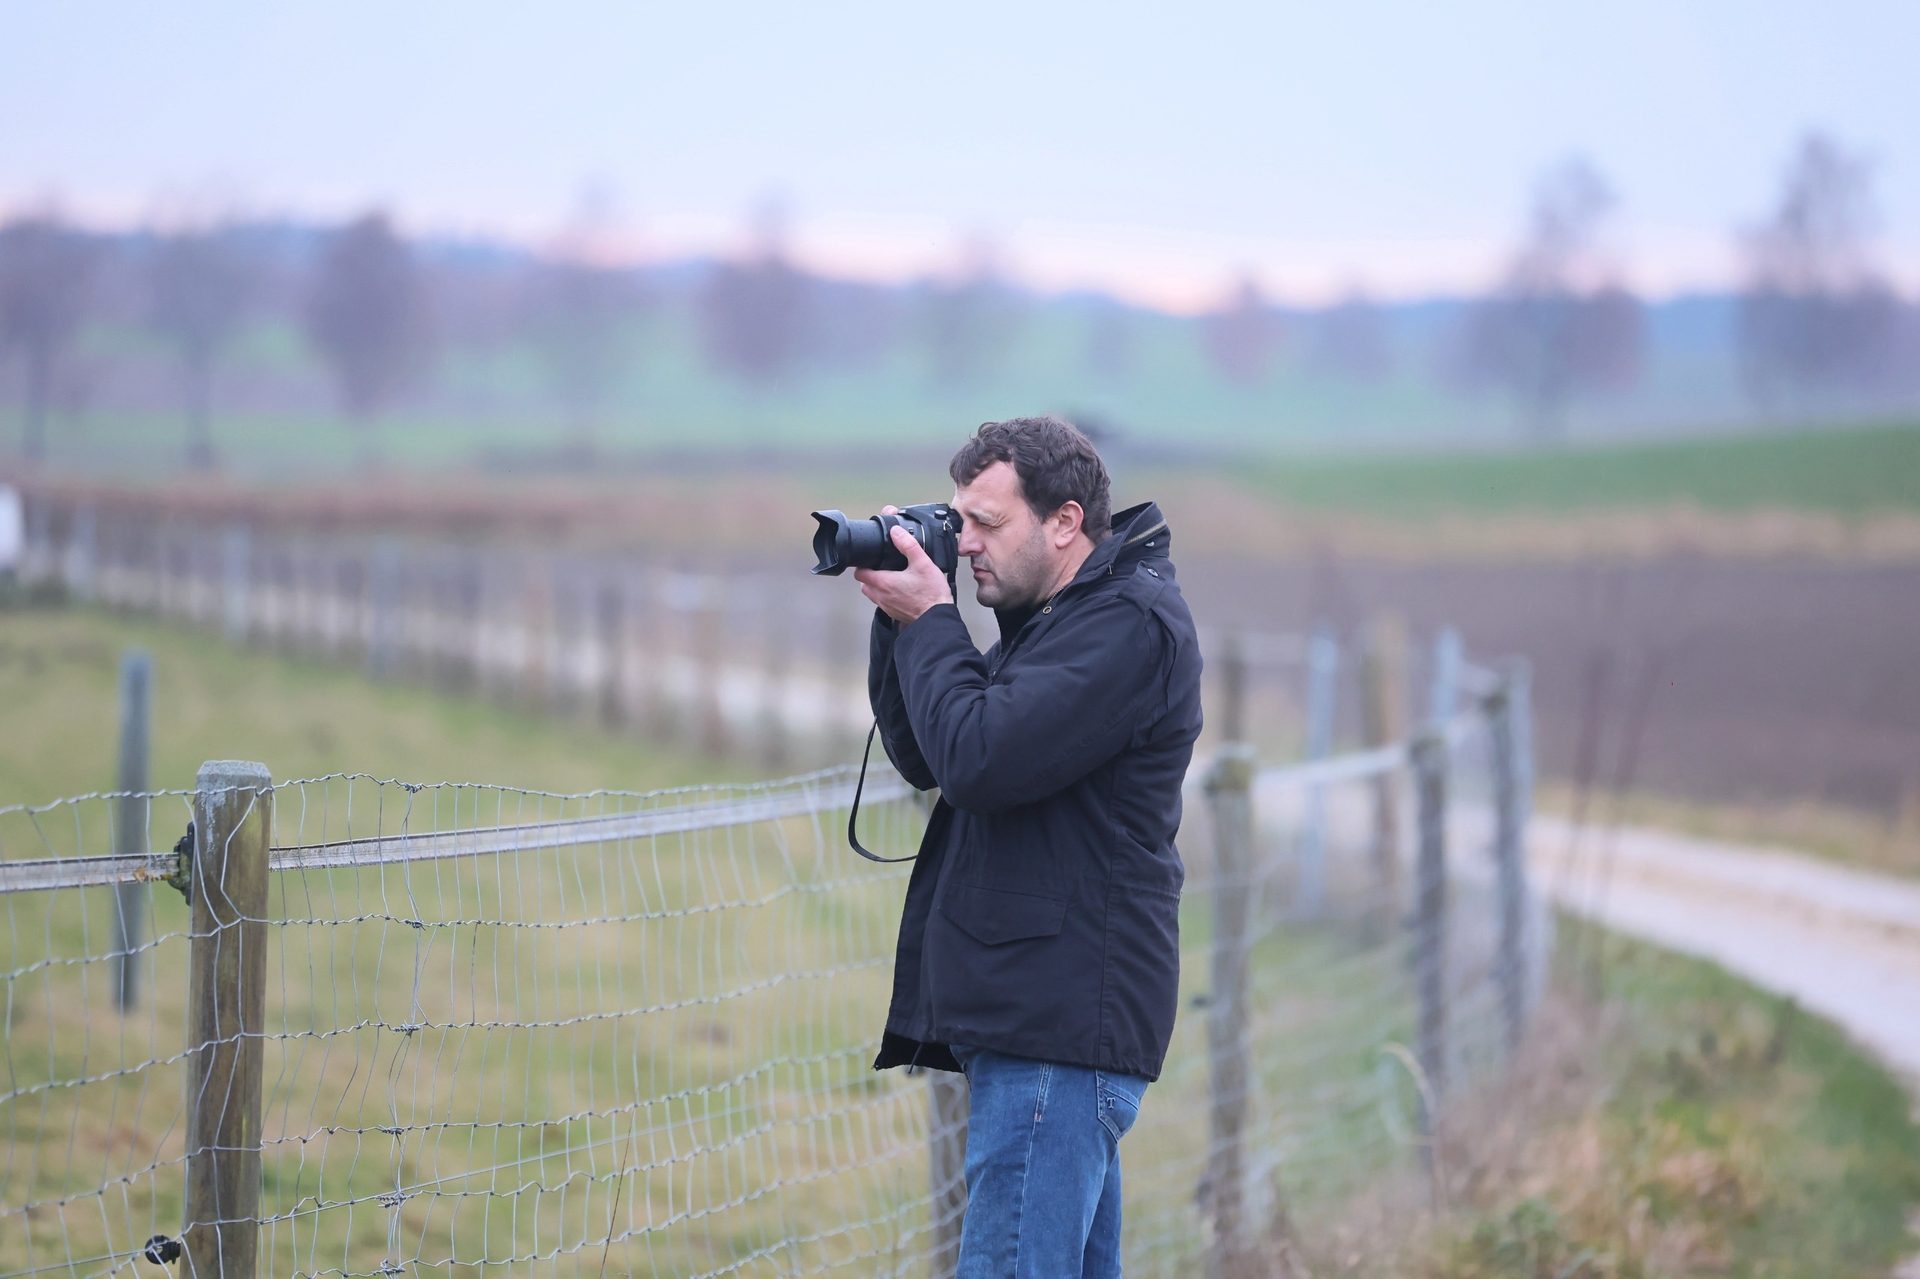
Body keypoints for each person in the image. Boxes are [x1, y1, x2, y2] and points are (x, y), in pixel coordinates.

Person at [852, 416, 1203, 1278]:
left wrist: (935, 616)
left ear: (1064, 520)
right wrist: (903, 618)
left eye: (986, 524)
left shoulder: (1126, 626)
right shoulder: (1057, 618)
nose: (965, 542)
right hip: (1041, 1027)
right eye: (958, 520)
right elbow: (927, 752)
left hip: (1058, 1033)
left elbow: (979, 758)